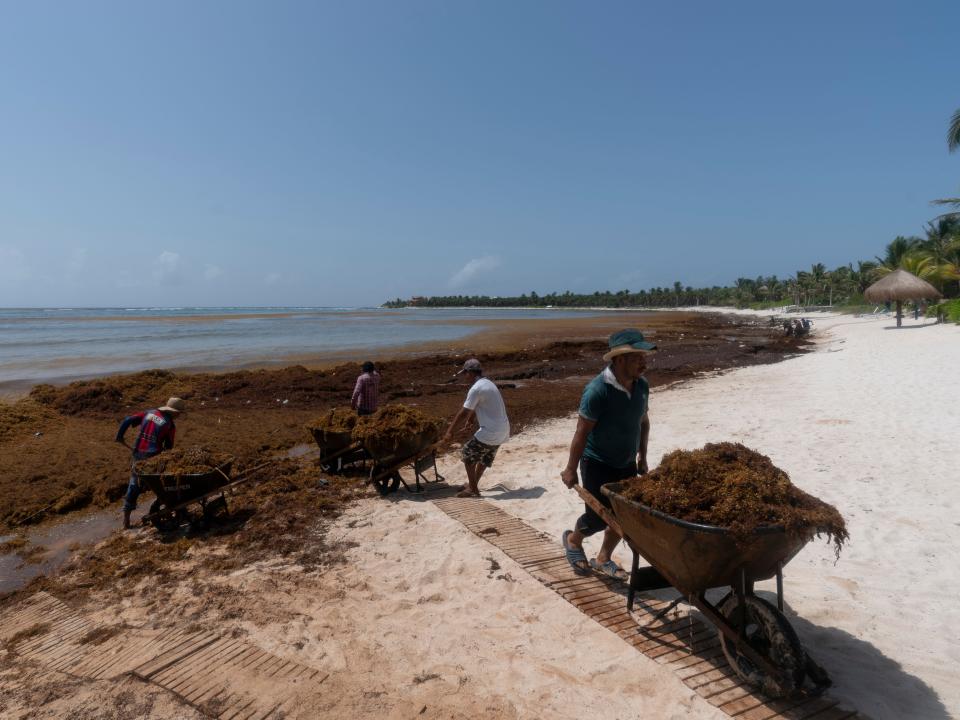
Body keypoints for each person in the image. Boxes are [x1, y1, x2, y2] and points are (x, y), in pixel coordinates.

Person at [560, 329, 656, 578]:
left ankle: (603, 558)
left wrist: (642, 457)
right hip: (597, 462)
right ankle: (573, 540)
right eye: (638, 357)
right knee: (598, 517)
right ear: (620, 359)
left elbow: (643, 422)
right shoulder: (597, 391)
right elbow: (581, 432)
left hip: (626, 462)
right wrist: (571, 468)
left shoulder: (642, 386)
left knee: (622, 516)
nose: (644, 363)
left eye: (645, 357)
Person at [442, 358, 510, 498]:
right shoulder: (488, 383)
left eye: (465, 373)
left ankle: (472, 489)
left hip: (491, 431)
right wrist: (471, 420)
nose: (464, 376)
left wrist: (449, 432)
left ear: (471, 373)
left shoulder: (476, 388)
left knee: (467, 454)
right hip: (503, 431)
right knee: (483, 457)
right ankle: (472, 485)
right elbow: (477, 406)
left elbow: (463, 412)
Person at [116, 397, 186, 529]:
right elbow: (168, 448)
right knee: (162, 483)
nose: (179, 416)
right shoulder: (170, 425)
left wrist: (120, 437)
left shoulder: (149, 413)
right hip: (153, 457)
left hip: (138, 454)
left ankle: (126, 520)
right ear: (174, 412)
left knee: (134, 484)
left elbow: (127, 420)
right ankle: (171, 506)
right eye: (179, 413)